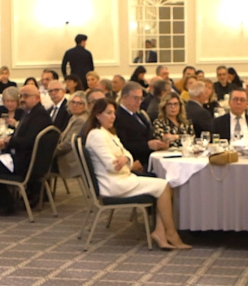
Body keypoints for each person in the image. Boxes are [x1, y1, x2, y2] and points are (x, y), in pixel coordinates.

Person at [83, 100, 189, 250]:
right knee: (165, 185)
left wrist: (126, 159)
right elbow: (113, 166)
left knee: (165, 185)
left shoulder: (107, 133)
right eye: (108, 113)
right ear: (98, 115)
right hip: (113, 183)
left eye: (113, 113)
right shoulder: (97, 135)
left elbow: (127, 154)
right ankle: (171, 234)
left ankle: (161, 232)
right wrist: (126, 161)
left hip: (121, 178)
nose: (113, 117)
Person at [0, 85, 50, 213]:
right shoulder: (31, 113)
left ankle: (3, 203)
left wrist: (9, 141)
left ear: (37, 97)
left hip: (24, 163)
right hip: (22, 158)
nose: (22, 99)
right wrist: (9, 141)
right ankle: (2, 201)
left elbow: (30, 142)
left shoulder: (39, 116)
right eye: (21, 96)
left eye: (26, 96)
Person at [54, 92, 92, 181]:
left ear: (85, 105)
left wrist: (52, 151)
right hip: (66, 153)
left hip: (69, 160)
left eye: (79, 103)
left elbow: (68, 144)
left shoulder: (80, 120)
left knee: (39, 163)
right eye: (73, 102)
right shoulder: (74, 117)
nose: (75, 105)